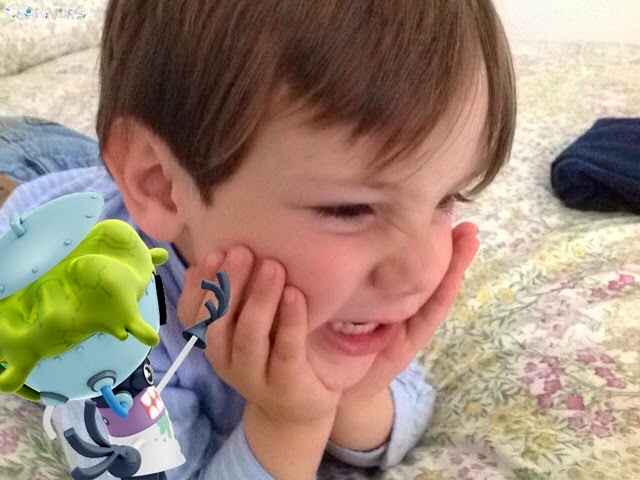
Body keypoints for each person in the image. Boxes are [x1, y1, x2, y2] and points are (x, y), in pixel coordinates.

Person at [0, 0, 516, 478]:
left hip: (100, 175)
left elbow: (399, 412)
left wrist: (356, 392)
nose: (421, 271)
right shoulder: (102, 340)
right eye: (350, 209)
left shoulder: (345, 296)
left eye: (448, 198)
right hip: (31, 181)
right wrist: (290, 422)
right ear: (161, 185)